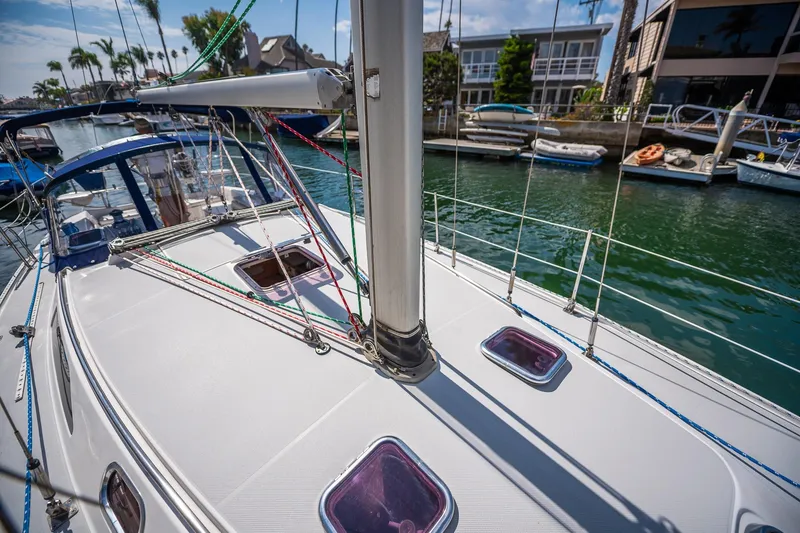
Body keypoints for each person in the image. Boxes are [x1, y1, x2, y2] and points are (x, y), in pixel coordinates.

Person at [130, 117, 190, 227]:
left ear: (137, 129)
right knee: (176, 201)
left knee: (164, 204)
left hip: (154, 179)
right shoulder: (166, 139)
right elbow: (179, 150)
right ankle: (182, 221)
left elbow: (133, 159)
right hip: (169, 176)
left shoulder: (133, 143)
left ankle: (172, 224)